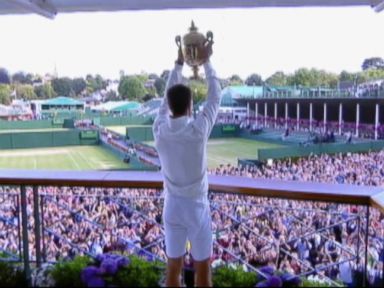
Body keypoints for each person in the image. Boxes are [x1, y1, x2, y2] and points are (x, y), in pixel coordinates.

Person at [153, 40, 221, 287]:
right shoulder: (198, 131)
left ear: (169, 106)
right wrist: (206, 62)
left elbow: (165, 100)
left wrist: (179, 64)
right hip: (196, 208)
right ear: (191, 106)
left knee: (173, 271)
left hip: (171, 208)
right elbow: (215, 98)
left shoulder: (159, 130)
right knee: (203, 272)